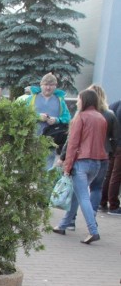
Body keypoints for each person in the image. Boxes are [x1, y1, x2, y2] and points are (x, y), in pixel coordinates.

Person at [55, 85, 118, 232]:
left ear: (84, 100)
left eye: (78, 99)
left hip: (82, 160)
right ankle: (65, 223)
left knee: (82, 195)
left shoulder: (81, 117)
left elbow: (72, 142)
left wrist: (67, 165)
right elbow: (114, 138)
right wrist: (111, 153)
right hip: (100, 159)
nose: (77, 102)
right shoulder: (104, 117)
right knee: (87, 191)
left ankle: (92, 229)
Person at [17, 73, 72, 170]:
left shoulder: (60, 100)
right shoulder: (32, 99)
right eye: (46, 85)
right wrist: (37, 117)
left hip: (50, 141)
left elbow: (67, 118)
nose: (48, 88)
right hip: (32, 139)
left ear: (55, 86)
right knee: (29, 168)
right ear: (41, 85)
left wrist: (56, 120)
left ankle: (43, 184)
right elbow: (21, 115)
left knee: (46, 170)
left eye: (51, 85)